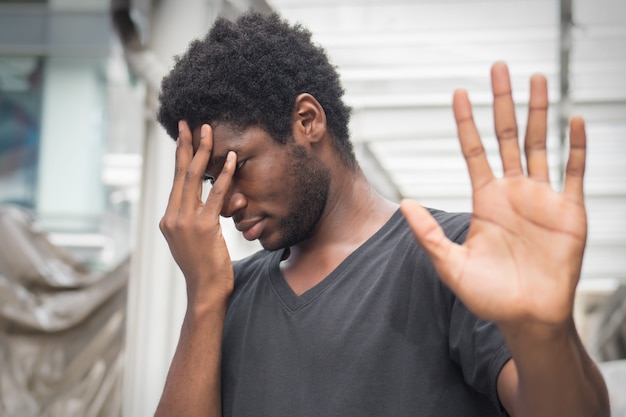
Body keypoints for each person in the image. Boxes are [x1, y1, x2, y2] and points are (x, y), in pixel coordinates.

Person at [154, 11, 610, 417]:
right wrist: (204, 296)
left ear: (307, 121)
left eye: (239, 166)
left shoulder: (457, 257)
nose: (227, 203)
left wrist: (545, 336)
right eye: (213, 182)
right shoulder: (226, 298)